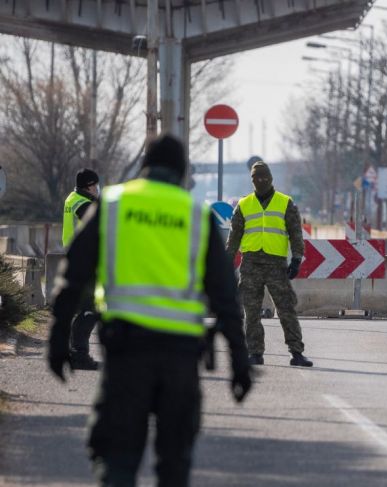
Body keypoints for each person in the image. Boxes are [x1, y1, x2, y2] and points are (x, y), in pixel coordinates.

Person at [47, 134, 252, 487]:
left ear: (144, 168)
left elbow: (74, 276)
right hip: (182, 357)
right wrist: (239, 359)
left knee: (118, 458)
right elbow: (226, 296)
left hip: (127, 352)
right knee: (174, 463)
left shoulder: (112, 204)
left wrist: (56, 341)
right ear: (181, 172)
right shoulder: (196, 216)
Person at [226, 159, 313, 367]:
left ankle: (297, 352)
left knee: (286, 309)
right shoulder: (244, 205)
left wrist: (297, 258)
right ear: (252, 180)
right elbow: (234, 237)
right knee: (251, 311)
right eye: (257, 178)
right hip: (251, 263)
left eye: (264, 177)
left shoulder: (285, 203)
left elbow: (295, 233)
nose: (261, 181)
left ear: (271, 178)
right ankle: (255, 353)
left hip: (276, 264)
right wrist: (226, 264)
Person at [61, 168, 101, 370]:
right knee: (88, 309)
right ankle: (79, 354)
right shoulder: (84, 205)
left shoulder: (73, 198)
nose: (97, 189)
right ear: (89, 186)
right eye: (95, 185)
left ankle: (74, 351)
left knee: (85, 308)